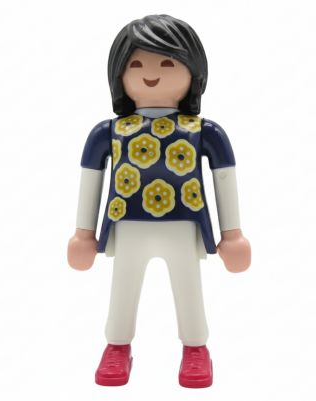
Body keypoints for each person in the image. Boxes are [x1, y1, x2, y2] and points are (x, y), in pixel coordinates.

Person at [67, 14, 251, 388]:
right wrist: (83, 234)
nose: (151, 74)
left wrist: (232, 234)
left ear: (193, 73)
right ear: (119, 75)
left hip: (183, 224)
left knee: (188, 286)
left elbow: (224, 179)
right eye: (136, 65)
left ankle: (195, 348)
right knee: (123, 286)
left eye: (168, 64)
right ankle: (117, 346)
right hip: (127, 223)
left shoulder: (204, 132)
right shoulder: (109, 132)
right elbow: (91, 180)